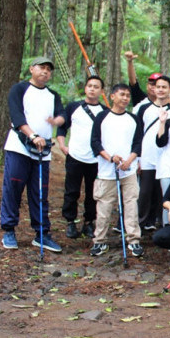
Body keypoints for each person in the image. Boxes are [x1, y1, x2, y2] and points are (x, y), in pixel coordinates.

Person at [0, 57, 65, 252]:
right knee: (13, 188)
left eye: (48, 69)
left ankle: (42, 233)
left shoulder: (53, 95)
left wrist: (57, 120)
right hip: (19, 147)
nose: (45, 72)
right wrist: (32, 135)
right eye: (41, 68)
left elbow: (62, 114)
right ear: (31, 69)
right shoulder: (19, 89)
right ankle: (9, 230)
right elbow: (17, 115)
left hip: (41, 151)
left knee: (39, 192)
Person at [89, 83, 144, 257]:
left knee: (131, 205)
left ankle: (133, 240)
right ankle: (99, 241)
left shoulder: (133, 119)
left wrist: (129, 160)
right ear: (112, 96)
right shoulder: (102, 117)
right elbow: (95, 142)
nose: (125, 98)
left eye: (127, 95)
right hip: (107, 170)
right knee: (104, 206)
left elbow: (138, 143)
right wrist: (109, 157)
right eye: (121, 94)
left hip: (128, 171)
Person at [57, 75, 108, 239]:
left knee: (93, 192)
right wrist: (62, 145)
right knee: (71, 190)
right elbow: (62, 127)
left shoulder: (105, 112)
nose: (92, 89)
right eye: (90, 86)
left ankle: (89, 222)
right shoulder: (73, 107)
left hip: (95, 159)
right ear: (85, 88)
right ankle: (70, 222)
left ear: (101, 91)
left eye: (96, 86)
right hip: (75, 156)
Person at [136, 75, 170, 232]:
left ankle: (162, 224)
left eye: (164, 87)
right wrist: (137, 157)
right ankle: (139, 224)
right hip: (147, 157)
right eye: (158, 86)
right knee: (144, 192)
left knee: (163, 193)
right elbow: (137, 133)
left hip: (165, 158)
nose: (160, 90)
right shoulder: (144, 109)